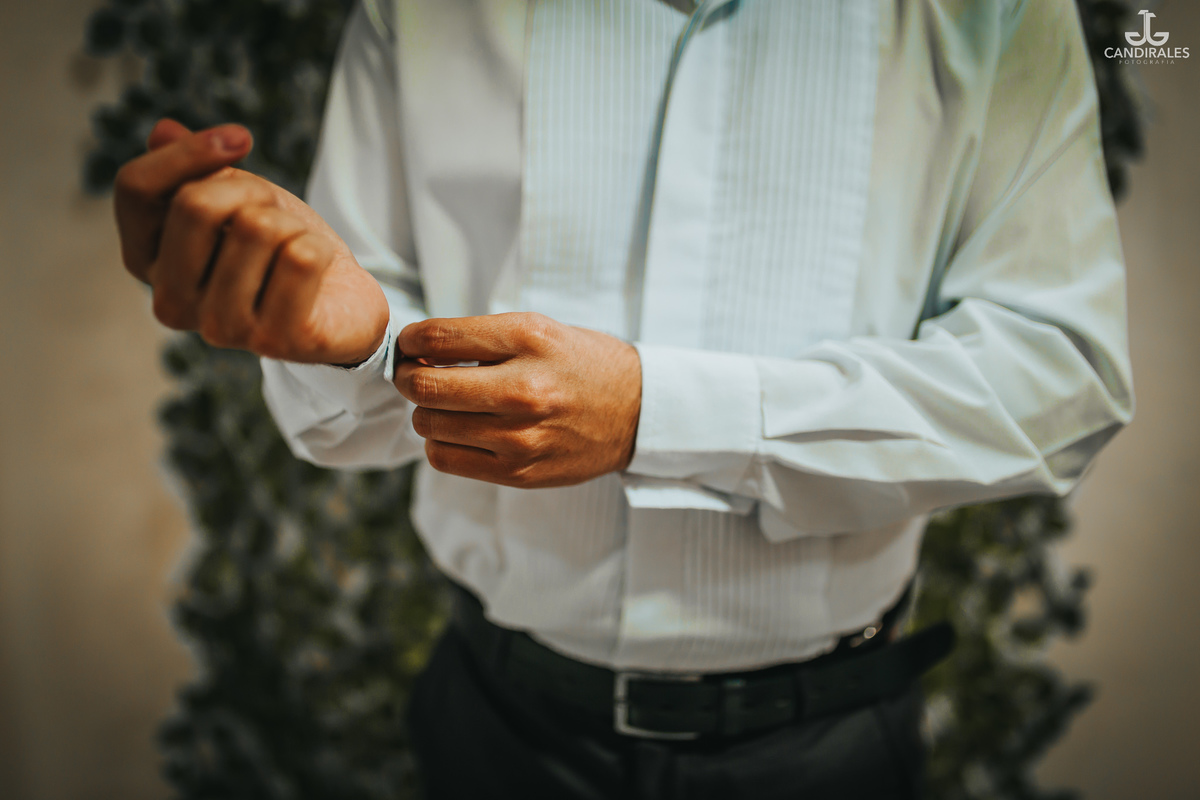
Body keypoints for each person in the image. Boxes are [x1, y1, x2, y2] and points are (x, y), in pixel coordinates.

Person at [113, 0, 1133, 797]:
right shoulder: (418, 12)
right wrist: (351, 342)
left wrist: (652, 413)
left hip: (823, 754)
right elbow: (350, 404)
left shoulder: (991, 14)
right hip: (497, 729)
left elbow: (1060, 374)